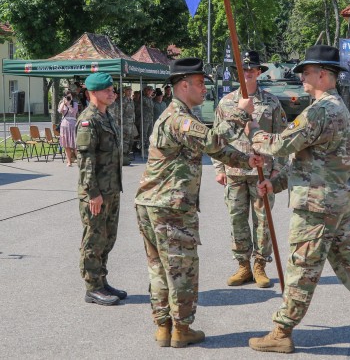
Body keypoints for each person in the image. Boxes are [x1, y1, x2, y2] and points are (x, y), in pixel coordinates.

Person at [246, 45, 350, 353]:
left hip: (317, 207)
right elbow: (312, 161)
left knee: (301, 268)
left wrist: (252, 126)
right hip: (337, 201)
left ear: (323, 74)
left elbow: (281, 145)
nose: (302, 76)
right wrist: (275, 183)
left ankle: (281, 330)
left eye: (306, 71)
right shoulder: (337, 106)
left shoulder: (321, 109)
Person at [135, 58, 262, 349]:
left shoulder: (178, 116)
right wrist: (240, 115)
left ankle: (164, 327)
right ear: (183, 85)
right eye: (201, 83)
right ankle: (181, 328)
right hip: (170, 206)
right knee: (181, 267)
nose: (205, 88)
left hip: (153, 203)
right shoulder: (179, 118)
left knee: (159, 267)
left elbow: (204, 149)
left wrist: (246, 159)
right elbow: (213, 140)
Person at [214, 51, 287, 288]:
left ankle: (260, 265)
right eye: (243, 69)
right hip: (234, 170)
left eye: (251, 69)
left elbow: (281, 138)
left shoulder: (271, 102)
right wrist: (219, 167)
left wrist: (277, 169)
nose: (247, 73)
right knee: (237, 219)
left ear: (258, 72)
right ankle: (243, 265)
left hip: (262, 172)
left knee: (263, 220)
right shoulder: (226, 103)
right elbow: (216, 138)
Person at [75, 72, 125, 306]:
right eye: (106, 90)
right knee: (94, 239)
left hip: (111, 190)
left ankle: (102, 280)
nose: (111, 93)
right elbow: (85, 161)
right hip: (96, 193)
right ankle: (92, 287)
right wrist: (93, 193)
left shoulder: (108, 117)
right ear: (92, 93)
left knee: (108, 238)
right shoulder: (89, 120)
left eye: (112, 89)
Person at [58, 90, 79, 166]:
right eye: (67, 96)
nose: (69, 98)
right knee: (66, 145)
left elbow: (73, 112)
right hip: (64, 125)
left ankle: (79, 161)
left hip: (72, 124)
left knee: (74, 144)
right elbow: (59, 111)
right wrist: (64, 103)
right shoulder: (62, 103)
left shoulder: (75, 104)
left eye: (70, 96)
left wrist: (69, 105)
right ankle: (69, 161)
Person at [121, 86, 136, 163]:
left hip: (131, 123)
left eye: (130, 90)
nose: (129, 92)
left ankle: (128, 154)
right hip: (125, 124)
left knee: (131, 140)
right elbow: (121, 112)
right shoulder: (123, 101)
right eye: (128, 91)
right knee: (125, 140)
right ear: (125, 91)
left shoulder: (131, 100)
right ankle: (124, 156)